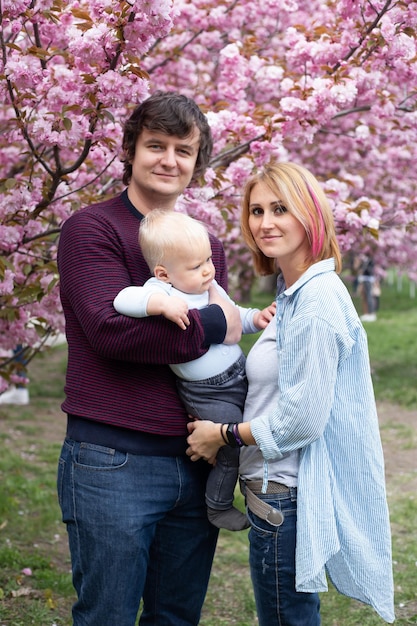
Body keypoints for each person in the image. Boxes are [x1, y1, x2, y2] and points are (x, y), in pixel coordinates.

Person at [57, 90, 244, 626]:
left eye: (183, 150)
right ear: (131, 151)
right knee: (107, 617)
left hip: (194, 457)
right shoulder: (91, 229)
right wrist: (216, 321)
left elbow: (210, 352)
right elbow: (112, 335)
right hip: (112, 460)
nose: (169, 160)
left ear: (197, 162)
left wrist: (217, 331)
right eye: (155, 145)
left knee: (176, 617)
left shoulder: (201, 241)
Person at [186, 162, 395, 625]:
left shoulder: (316, 302)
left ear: (309, 214)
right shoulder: (292, 296)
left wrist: (222, 434)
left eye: (280, 208)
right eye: (256, 210)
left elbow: (303, 418)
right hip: (278, 490)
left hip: (284, 492)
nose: (265, 222)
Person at [113, 209, 275, 531]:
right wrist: (159, 305)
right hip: (206, 390)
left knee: (253, 432)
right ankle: (218, 505)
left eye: (207, 261)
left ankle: (259, 489)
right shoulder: (162, 292)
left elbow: (232, 315)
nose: (207, 271)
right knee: (229, 449)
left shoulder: (209, 287)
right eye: (196, 266)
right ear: (164, 274)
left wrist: (254, 318)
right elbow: (122, 300)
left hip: (237, 377)